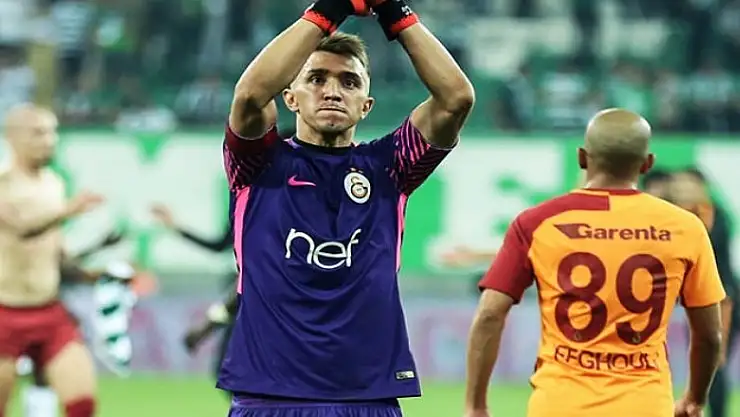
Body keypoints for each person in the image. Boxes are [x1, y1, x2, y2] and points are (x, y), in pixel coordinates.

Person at [219, 0, 474, 415]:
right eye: (316, 79)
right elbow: (249, 95)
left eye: (350, 82)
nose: (333, 91)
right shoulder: (257, 164)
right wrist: (329, 9)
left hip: (366, 397)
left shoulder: (391, 167)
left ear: (366, 104)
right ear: (290, 98)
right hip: (269, 396)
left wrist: (394, 11)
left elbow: (456, 99)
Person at [464, 108, 725, 417]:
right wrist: (694, 399)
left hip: (559, 406)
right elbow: (709, 335)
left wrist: (476, 405)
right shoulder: (685, 227)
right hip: (644, 405)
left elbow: (490, 314)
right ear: (647, 163)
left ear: (582, 157)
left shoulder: (537, 222)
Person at [0, 104, 103, 417]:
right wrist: (69, 210)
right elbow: (22, 228)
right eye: (38, 133)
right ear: (13, 137)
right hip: (5, 312)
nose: (49, 140)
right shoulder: (3, 184)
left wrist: (89, 274)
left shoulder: (53, 183)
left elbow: (54, 250)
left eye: (52, 132)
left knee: (82, 404)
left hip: (49, 312)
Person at [669, 168, 739, 417]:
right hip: (701, 299)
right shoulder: (680, 217)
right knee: (704, 358)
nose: (681, 190)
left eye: (686, 185)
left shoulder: (712, 218)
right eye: (678, 186)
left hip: (722, 300)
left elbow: (718, 268)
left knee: (715, 361)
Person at [150, 202, 237, 381]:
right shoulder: (244, 211)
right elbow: (219, 246)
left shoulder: (259, 213)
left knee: (229, 371)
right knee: (228, 371)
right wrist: (176, 226)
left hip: (252, 297)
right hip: (246, 297)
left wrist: (205, 329)